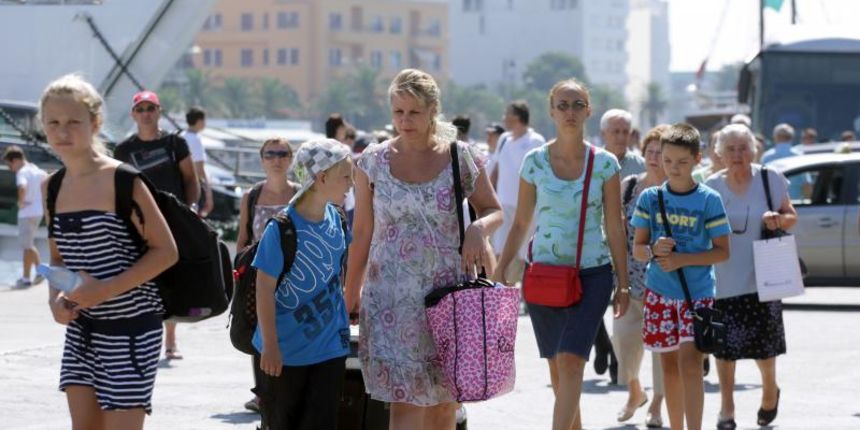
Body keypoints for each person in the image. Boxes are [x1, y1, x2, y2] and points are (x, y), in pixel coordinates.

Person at [346, 68, 502, 430]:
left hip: (447, 297)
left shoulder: (459, 156)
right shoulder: (372, 161)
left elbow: (494, 210)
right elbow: (362, 232)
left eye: (414, 112)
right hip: (390, 299)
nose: (404, 120)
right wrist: (350, 292)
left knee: (444, 405)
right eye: (398, 112)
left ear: (433, 110)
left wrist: (479, 228)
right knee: (403, 403)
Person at [40, 74, 178, 430]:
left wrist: (103, 289)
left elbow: (166, 252)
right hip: (83, 328)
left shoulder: (123, 180)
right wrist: (56, 300)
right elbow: (58, 260)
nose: (62, 131)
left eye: (74, 121)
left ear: (95, 123)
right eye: (53, 122)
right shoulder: (52, 187)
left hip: (132, 328)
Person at [494, 78, 630, 430]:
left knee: (571, 362)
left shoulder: (604, 164)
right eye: (563, 105)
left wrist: (625, 282)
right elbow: (522, 221)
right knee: (558, 368)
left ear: (589, 110)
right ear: (552, 111)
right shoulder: (534, 161)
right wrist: (501, 268)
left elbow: (614, 225)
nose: (570, 112)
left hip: (592, 274)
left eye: (578, 105)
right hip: (544, 277)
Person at [631, 123, 731, 430]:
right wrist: (653, 249)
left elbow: (722, 251)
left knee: (690, 365)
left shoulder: (709, 199)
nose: (673, 168)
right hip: (659, 291)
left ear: (697, 159)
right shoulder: (650, 198)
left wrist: (681, 259)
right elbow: (637, 249)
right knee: (669, 368)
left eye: (682, 162)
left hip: (697, 292)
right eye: (667, 160)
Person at [253, 139, 354, 429]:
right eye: (345, 176)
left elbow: (338, 273)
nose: (350, 184)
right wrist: (270, 346)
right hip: (284, 352)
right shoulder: (282, 228)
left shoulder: (337, 219)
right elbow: (264, 289)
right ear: (322, 177)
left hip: (330, 348)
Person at [705, 124, 798, 430]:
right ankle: (727, 407)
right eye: (730, 149)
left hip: (764, 276)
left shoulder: (770, 179)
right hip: (723, 277)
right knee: (724, 349)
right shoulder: (711, 186)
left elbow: (791, 216)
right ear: (719, 154)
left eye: (742, 148)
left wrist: (777, 220)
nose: (737, 155)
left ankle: (770, 389)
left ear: (753, 150)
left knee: (765, 346)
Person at [113, 90, 199, 361]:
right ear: (133, 115)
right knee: (138, 278)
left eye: (151, 108)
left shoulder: (175, 144)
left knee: (170, 279)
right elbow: (117, 187)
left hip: (172, 220)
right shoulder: (123, 150)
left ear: (159, 112)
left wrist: (191, 210)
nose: (146, 114)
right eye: (141, 109)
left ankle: (170, 341)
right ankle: (139, 338)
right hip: (137, 223)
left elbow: (191, 180)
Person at [235, 138, 299, 415]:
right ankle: (262, 393)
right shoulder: (251, 195)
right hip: (258, 275)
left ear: (290, 159)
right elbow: (243, 238)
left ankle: (285, 390)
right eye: (270, 154)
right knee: (259, 333)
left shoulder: (300, 195)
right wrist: (239, 274)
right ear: (262, 160)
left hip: (294, 275)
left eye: (282, 153)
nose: (276, 159)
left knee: (291, 333)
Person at [612, 125, 668, 428]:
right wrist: (616, 277)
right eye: (650, 151)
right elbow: (617, 233)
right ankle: (635, 390)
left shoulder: (678, 189)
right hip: (630, 280)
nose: (655, 157)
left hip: (667, 284)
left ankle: (657, 404)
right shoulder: (630, 185)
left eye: (661, 153)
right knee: (622, 339)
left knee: (661, 348)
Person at [595, 108, 646, 383]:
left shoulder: (640, 166)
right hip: (595, 243)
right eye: (615, 131)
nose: (621, 136)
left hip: (626, 247)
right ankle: (600, 341)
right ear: (604, 133)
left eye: (626, 131)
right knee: (592, 304)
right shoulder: (590, 161)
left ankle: (617, 356)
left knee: (621, 303)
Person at [491, 100, 545, 286]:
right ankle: (503, 287)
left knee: (524, 251)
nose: (504, 118)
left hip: (527, 207)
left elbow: (541, 172)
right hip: (503, 203)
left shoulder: (535, 140)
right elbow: (496, 169)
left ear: (517, 116)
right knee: (500, 248)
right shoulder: (504, 139)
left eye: (507, 114)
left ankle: (524, 290)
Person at [3, 145, 48, 288]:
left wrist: (21, 202)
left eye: (10, 164)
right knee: (28, 245)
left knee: (27, 245)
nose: (10, 168)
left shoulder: (22, 172)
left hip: (27, 212)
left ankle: (41, 271)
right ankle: (26, 277)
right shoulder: (37, 170)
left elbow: (22, 187)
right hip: (38, 212)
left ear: (15, 160)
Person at [182, 106, 214, 217]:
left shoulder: (182, 136)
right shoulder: (196, 139)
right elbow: (199, 169)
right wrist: (209, 194)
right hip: (196, 187)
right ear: (199, 121)